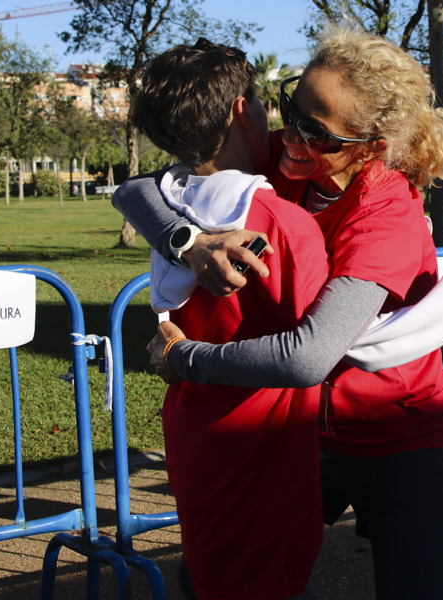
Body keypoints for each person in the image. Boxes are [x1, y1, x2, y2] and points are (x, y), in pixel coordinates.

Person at [116, 27, 443, 599]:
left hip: (396, 433)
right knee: (218, 575)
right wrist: (188, 243)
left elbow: (310, 355)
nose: (292, 138)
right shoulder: (288, 156)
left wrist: (186, 360)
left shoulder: (386, 215)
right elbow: (135, 190)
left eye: (316, 131)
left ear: (372, 144)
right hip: (304, 432)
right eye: (290, 108)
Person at [130, 39, 332, 600]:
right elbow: (329, 344)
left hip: (196, 437)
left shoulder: (173, 212)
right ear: (243, 111)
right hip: (263, 456)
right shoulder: (282, 225)